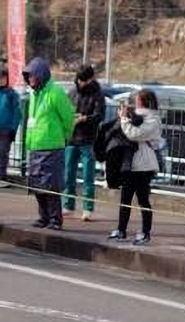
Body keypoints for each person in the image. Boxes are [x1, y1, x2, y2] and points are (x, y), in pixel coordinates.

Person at [21, 58, 76, 230]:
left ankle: (55, 219)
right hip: (36, 145)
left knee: (51, 186)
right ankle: (43, 217)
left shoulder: (55, 92)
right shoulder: (33, 93)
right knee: (37, 185)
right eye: (28, 76)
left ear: (41, 75)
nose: (30, 79)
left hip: (52, 145)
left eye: (32, 76)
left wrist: (64, 136)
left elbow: (68, 117)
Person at [110, 89, 162, 245]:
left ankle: (145, 233)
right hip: (130, 164)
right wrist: (125, 116)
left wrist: (124, 119)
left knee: (143, 200)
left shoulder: (153, 120)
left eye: (137, 100)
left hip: (144, 166)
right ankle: (121, 230)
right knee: (125, 198)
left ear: (145, 102)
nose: (135, 103)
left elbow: (134, 134)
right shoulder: (136, 116)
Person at [64, 63, 106, 221]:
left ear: (90, 79)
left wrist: (84, 118)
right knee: (68, 173)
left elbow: (99, 115)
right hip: (71, 138)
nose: (80, 82)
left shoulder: (98, 94)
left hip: (88, 138)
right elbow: (66, 110)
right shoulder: (72, 92)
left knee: (88, 175)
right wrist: (71, 118)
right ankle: (68, 205)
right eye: (79, 79)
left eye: (83, 80)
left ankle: (88, 208)